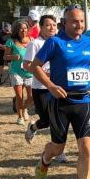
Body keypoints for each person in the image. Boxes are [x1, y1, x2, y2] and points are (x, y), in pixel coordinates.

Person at [30, 6, 90, 179]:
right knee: (58, 148)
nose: (79, 25)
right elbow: (34, 66)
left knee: (86, 148)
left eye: (81, 21)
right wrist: (51, 86)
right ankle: (45, 159)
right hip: (60, 102)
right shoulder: (55, 42)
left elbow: (88, 62)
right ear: (65, 23)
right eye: (74, 21)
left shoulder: (88, 42)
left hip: (82, 101)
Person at [24, 14, 58, 144]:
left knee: (58, 119)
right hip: (41, 88)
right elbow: (26, 65)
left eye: (54, 25)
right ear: (41, 27)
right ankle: (33, 128)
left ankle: (58, 149)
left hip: (57, 86)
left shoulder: (59, 42)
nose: (52, 28)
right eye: (48, 25)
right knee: (46, 121)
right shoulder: (35, 43)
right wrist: (44, 74)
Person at [5, 20, 33, 125]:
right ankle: (20, 117)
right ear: (16, 30)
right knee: (19, 96)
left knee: (31, 97)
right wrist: (13, 57)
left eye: (25, 28)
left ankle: (24, 109)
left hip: (29, 71)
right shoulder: (11, 41)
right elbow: (5, 56)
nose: (23, 30)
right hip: (16, 72)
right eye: (21, 28)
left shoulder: (31, 40)